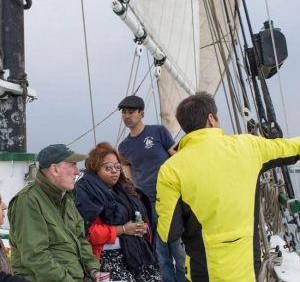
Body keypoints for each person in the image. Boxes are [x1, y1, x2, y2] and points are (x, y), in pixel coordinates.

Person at [156, 91, 300, 282]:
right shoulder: (250, 146)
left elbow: (169, 233)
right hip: (248, 269)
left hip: (203, 273)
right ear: (211, 119)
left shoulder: (170, 169)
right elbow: (291, 148)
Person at [117, 95, 187, 282]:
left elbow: (176, 157)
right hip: (146, 204)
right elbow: (129, 177)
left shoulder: (158, 132)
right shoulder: (123, 146)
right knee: (159, 252)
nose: (126, 116)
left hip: (171, 199)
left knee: (179, 251)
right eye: (124, 112)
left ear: (142, 113)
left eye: (131, 112)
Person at [8, 144, 101, 282]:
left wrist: (93, 269)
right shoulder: (28, 201)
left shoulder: (66, 199)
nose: (77, 171)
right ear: (54, 169)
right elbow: (35, 256)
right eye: (72, 165)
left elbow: (80, 240)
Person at [75, 142, 162, 282]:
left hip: (136, 253)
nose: (114, 170)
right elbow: (87, 233)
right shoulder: (85, 194)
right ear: (95, 167)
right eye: (108, 167)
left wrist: (141, 228)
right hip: (106, 259)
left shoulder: (125, 191)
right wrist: (122, 229)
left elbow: (141, 219)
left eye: (117, 166)